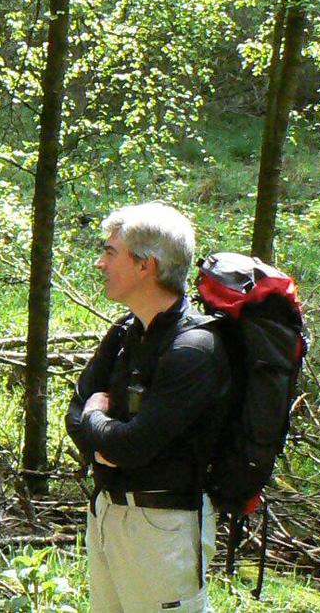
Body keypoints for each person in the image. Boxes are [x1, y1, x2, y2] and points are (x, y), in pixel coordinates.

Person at [66, 202, 228, 613]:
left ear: (146, 266)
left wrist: (97, 423)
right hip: (107, 514)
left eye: (110, 252)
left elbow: (130, 445)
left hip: (162, 528)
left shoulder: (195, 348)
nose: (100, 262)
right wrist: (103, 436)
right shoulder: (124, 332)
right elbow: (74, 411)